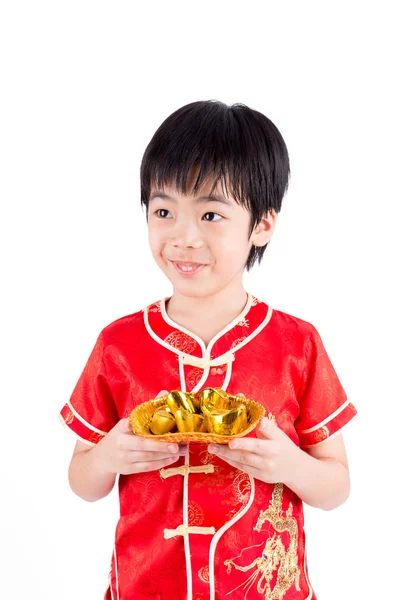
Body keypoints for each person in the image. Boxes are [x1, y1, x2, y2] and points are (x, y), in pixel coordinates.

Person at [59, 100, 357, 600]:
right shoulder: (119, 344)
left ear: (262, 224)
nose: (182, 236)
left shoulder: (296, 344)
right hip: (144, 587)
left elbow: (337, 486)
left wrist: (289, 466)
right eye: (163, 210)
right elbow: (82, 481)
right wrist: (110, 454)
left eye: (211, 214)